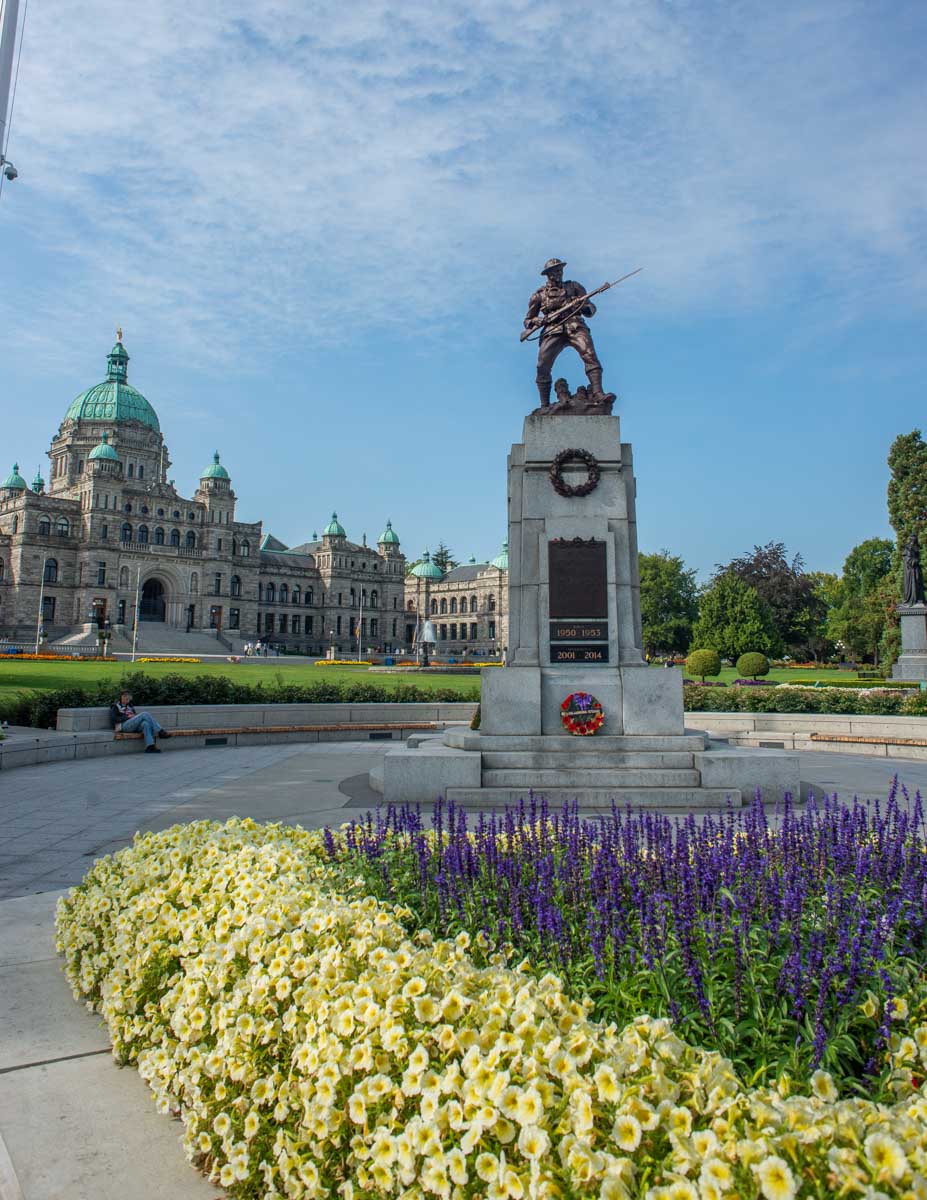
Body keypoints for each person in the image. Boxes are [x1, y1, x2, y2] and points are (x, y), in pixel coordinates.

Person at [523, 258, 614, 410]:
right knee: (542, 366)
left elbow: (590, 309)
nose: (557, 274)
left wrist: (582, 306)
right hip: (553, 329)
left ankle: (598, 393)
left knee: (590, 354)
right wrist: (536, 321)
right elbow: (527, 320)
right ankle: (544, 405)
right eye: (554, 272)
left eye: (559, 270)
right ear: (548, 275)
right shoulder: (538, 295)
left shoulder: (575, 287)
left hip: (575, 325)